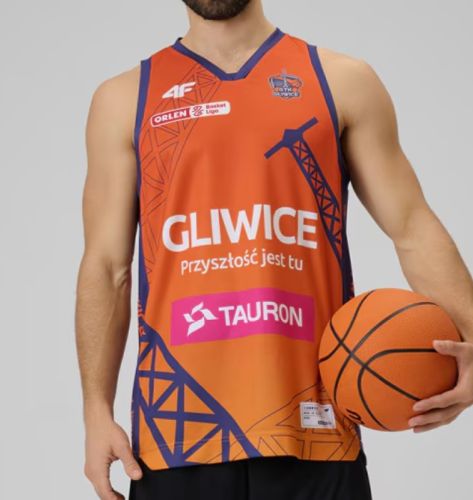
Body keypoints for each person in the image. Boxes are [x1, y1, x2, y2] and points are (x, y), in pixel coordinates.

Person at [74, 1, 473, 499]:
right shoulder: (125, 99)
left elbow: (411, 225)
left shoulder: (340, 81)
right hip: (175, 440)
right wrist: (96, 410)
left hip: (318, 431)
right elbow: (107, 266)